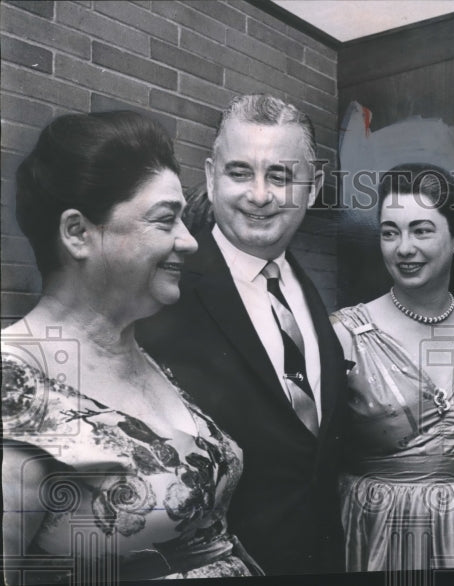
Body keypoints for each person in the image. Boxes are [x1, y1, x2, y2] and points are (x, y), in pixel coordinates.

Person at [2, 111, 262, 582]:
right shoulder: (13, 391)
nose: (189, 242)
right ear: (78, 233)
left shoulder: (144, 357)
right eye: (166, 220)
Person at [137, 94, 348, 574]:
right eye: (239, 173)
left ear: (312, 189)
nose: (259, 195)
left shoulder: (306, 287)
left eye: (280, 176)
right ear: (210, 178)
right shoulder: (159, 296)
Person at [330, 163, 454, 571]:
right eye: (390, 232)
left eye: (421, 230)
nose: (403, 248)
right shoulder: (345, 332)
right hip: (379, 534)